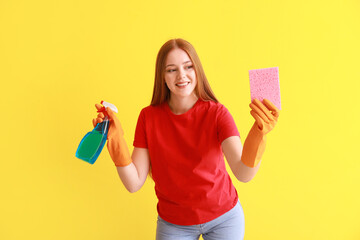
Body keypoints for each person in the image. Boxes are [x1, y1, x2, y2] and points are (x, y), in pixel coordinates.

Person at [93, 38, 280, 240]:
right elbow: (133, 183)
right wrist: (114, 141)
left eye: (188, 66)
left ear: (197, 70)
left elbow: (243, 173)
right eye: (171, 69)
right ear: (162, 76)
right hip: (174, 224)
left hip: (224, 218)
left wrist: (258, 134)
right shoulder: (148, 117)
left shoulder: (217, 114)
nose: (181, 75)